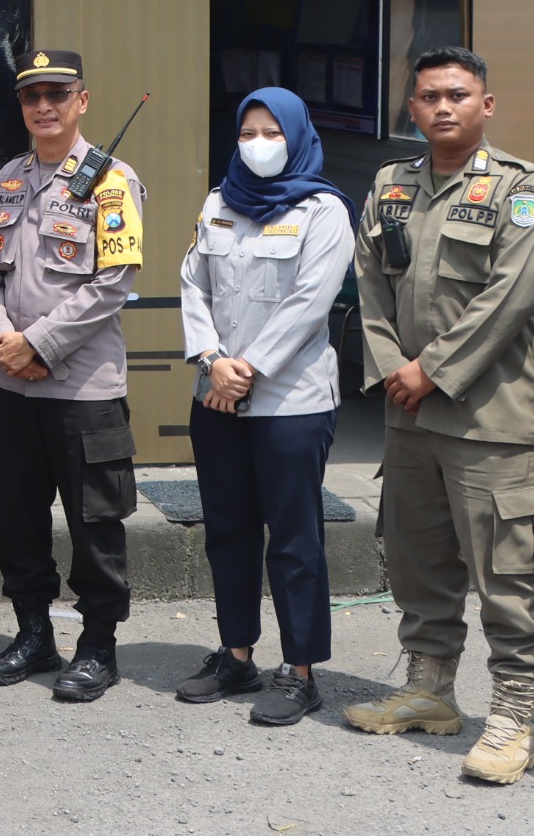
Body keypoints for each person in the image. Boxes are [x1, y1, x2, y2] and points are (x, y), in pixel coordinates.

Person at [343, 46, 534, 786]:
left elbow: (512, 296)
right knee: (416, 556)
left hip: (489, 416)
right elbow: (369, 283)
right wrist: (390, 371)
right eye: (429, 96)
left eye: (458, 95)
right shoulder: (390, 185)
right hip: (410, 415)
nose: (443, 107)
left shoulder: (520, 191)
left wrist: (431, 370)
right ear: (411, 108)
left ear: (486, 106)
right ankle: (430, 689)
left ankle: (515, 716)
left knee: (507, 569)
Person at [173, 87, 353, 727]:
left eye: (272, 132)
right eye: (249, 131)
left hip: (291, 401)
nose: (258, 143)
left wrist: (245, 369)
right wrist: (211, 361)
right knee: (228, 528)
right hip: (215, 391)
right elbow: (193, 283)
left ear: (297, 135)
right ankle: (236, 653)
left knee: (294, 537)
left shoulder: (324, 210)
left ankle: (300, 671)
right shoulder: (220, 201)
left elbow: (312, 301)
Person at [0, 49, 146, 704]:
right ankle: (32, 633)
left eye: (57, 94)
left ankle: (98, 647)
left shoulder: (112, 181)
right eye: (31, 97)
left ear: (82, 100)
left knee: (95, 522)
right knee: (17, 515)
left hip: (83, 389)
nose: (43, 107)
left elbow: (112, 284)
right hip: (15, 385)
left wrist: (39, 342)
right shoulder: (11, 179)